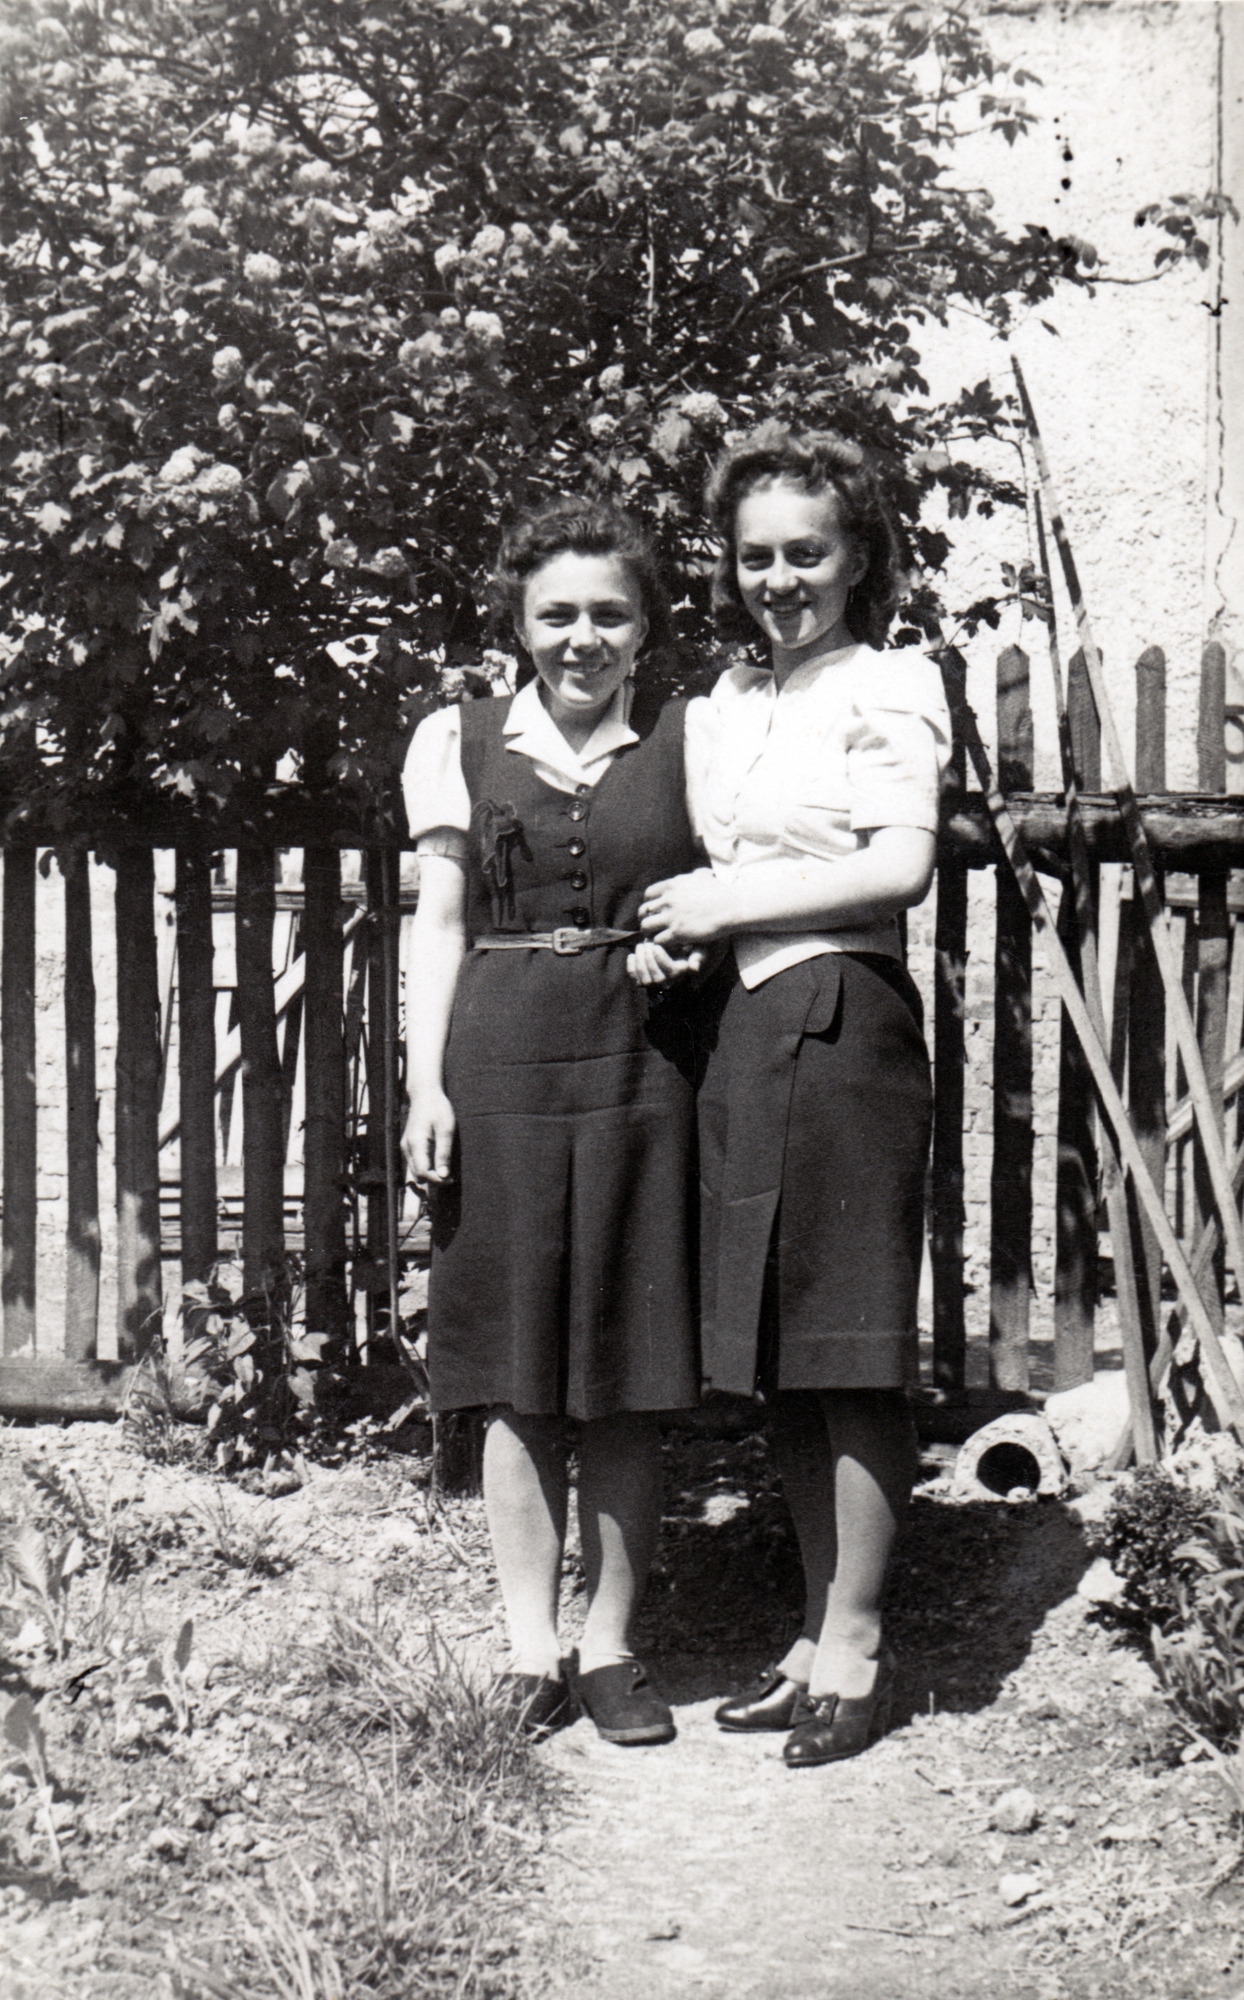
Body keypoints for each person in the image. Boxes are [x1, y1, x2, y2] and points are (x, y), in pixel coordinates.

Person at [636, 424, 950, 1766]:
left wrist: (728, 902)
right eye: (756, 555)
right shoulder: (726, 703)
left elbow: (897, 868)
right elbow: (699, 867)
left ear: (856, 555)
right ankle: (813, 1637)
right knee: (781, 1356)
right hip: (745, 1025)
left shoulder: (889, 685)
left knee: (847, 1344)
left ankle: (860, 1644)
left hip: (841, 1018)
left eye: (806, 553)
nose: (779, 579)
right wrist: (679, 933)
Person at [401, 498, 705, 1747]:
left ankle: (612, 1646)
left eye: (608, 614)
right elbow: (438, 924)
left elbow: (726, 886)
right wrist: (425, 1086)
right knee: (517, 1373)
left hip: (645, 1062)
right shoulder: (458, 738)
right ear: (518, 623)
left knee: (629, 1366)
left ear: (644, 627)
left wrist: (689, 939)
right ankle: (529, 1647)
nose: (583, 638)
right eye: (556, 614)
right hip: (501, 1061)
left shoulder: (690, 739)